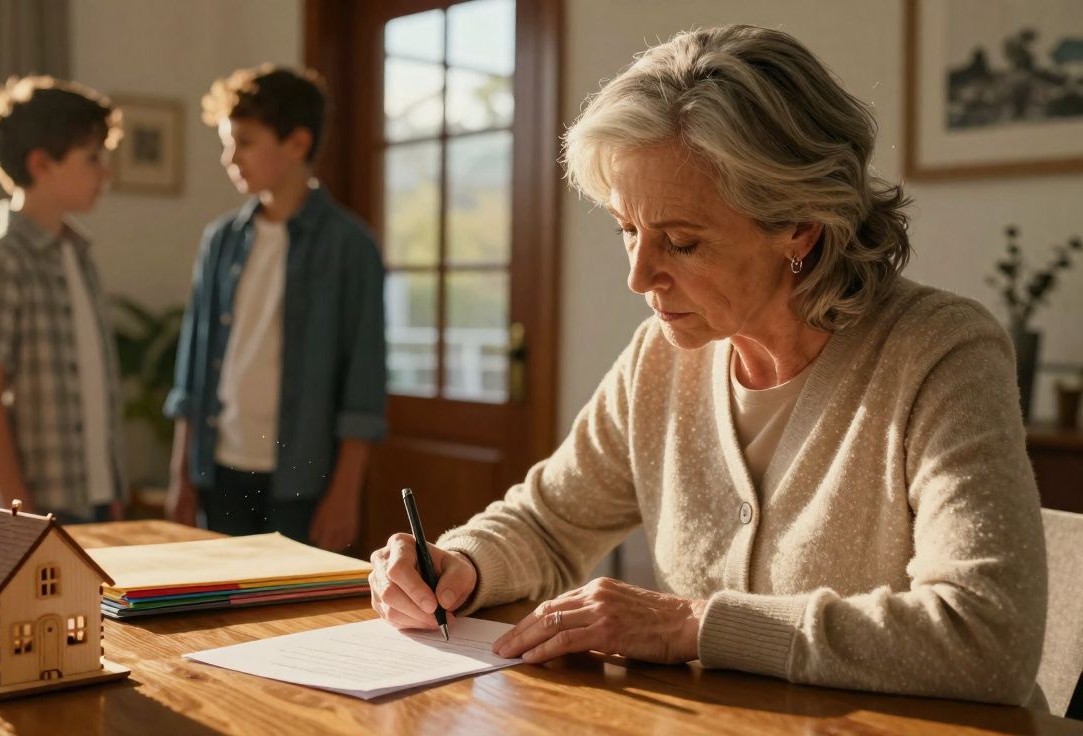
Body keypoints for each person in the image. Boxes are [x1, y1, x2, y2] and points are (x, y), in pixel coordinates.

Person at [368, 25, 1047, 706]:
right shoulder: (659, 360)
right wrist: (462, 564)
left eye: (681, 242)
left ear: (800, 227)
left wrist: (689, 626)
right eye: (626, 229)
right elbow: (548, 524)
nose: (639, 276)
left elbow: (987, 638)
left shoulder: (941, 354)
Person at [164, 66, 387, 551]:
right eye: (228, 142)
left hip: (305, 482)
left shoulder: (350, 246)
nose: (230, 157)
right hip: (218, 472)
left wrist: (345, 494)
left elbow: (364, 384)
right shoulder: (220, 241)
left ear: (297, 143)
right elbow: (194, 367)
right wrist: (181, 476)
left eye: (244, 142)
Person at [0, 76, 128, 524]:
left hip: (94, 499)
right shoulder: (0, 260)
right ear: (42, 164)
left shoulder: (79, 255)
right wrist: (21, 509)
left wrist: (110, 487)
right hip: (36, 507)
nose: (104, 173)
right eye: (92, 159)